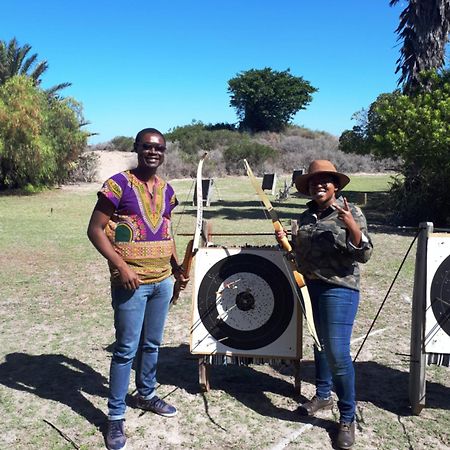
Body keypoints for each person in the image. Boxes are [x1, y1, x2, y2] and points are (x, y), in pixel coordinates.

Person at [87, 128, 188, 450]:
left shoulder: (167, 190)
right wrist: (122, 266)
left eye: (159, 148)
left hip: (162, 282)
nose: (153, 152)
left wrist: (176, 267)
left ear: (164, 152)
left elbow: (166, 230)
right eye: (147, 147)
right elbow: (95, 230)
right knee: (126, 349)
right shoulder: (118, 185)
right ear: (137, 148)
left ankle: (146, 395)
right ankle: (115, 417)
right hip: (131, 283)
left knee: (152, 344)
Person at [277, 160, 373, 449]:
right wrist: (286, 241)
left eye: (325, 180)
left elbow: (365, 253)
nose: (318, 185)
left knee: (337, 351)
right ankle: (322, 394)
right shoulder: (305, 217)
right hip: (311, 288)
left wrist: (352, 225)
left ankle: (347, 416)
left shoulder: (350, 211)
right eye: (313, 181)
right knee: (319, 343)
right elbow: (300, 255)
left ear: (335, 185)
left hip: (340, 289)